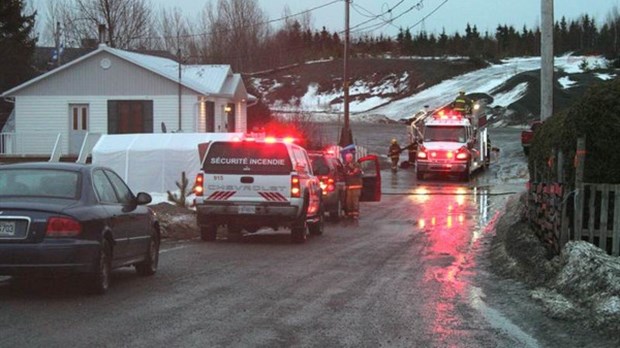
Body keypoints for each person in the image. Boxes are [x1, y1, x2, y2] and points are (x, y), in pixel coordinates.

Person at [343, 152, 363, 219]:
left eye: (348, 158)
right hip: (349, 186)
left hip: (356, 186)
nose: (346, 159)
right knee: (349, 201)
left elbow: (356, 172)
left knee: (355, 201)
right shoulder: (346, 166)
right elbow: (345, 175)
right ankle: (350, 213)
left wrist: (351, 169)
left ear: (351, 158)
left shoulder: (356, 164)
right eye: (346, 158)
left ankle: (355, 214)